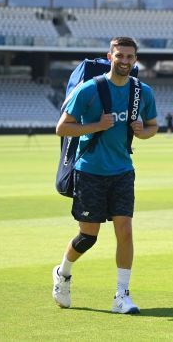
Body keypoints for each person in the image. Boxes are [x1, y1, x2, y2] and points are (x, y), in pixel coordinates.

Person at [52, 37, 158, 314]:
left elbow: (153, 126)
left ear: (135, 60)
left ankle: (121, 296)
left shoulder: (142, 92)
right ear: (109, 56)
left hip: (123, 171)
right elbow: (62, 128)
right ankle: (63, 274)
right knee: (89, 236)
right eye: (120, 55)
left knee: (125, 230)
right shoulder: (90, 89)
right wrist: (97, 125)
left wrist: (141, 132)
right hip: (89, 171)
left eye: (129, 57)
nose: (124, 61)